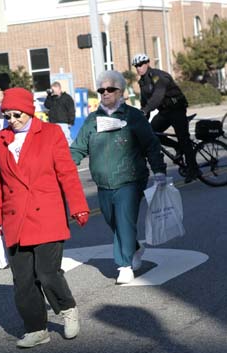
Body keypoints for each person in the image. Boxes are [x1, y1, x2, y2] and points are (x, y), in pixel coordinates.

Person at [0, 87, 89, 349]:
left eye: (16, 114)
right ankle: (35, 328)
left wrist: (78, 206)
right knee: (23, 280)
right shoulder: (0, 140)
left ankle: (67, 308)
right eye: (7, 115)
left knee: (47, 272)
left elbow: (66, 173)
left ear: (29, 111)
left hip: (47, 214)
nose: (12, 120)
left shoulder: (51, 133)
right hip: (15, 218)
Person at [70, 70, 166, 285]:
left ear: (121, 92)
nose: (105, 93)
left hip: (130, 180)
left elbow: (151, 144)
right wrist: (64, 167)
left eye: (110, 89)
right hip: (103, 184)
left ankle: (124, 265)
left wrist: (159, 170)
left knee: (124, 220)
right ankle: (134, 247)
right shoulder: (92, 120)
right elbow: (77, 148)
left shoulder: (133, 116)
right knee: (114, 222)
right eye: (101, 90)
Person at [132, 53, 200, 183]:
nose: (138, 68)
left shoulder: (158, 76)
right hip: (164, 112)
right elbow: (144, 101)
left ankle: (193, 169)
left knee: (184, 139)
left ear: (147, 63)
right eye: (136, 66)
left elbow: (158, 96)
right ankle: (177, 147)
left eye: (140, 65)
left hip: (177, 110)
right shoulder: (142, 81)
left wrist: (146, 110)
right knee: (153, 133)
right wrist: (142, 117)